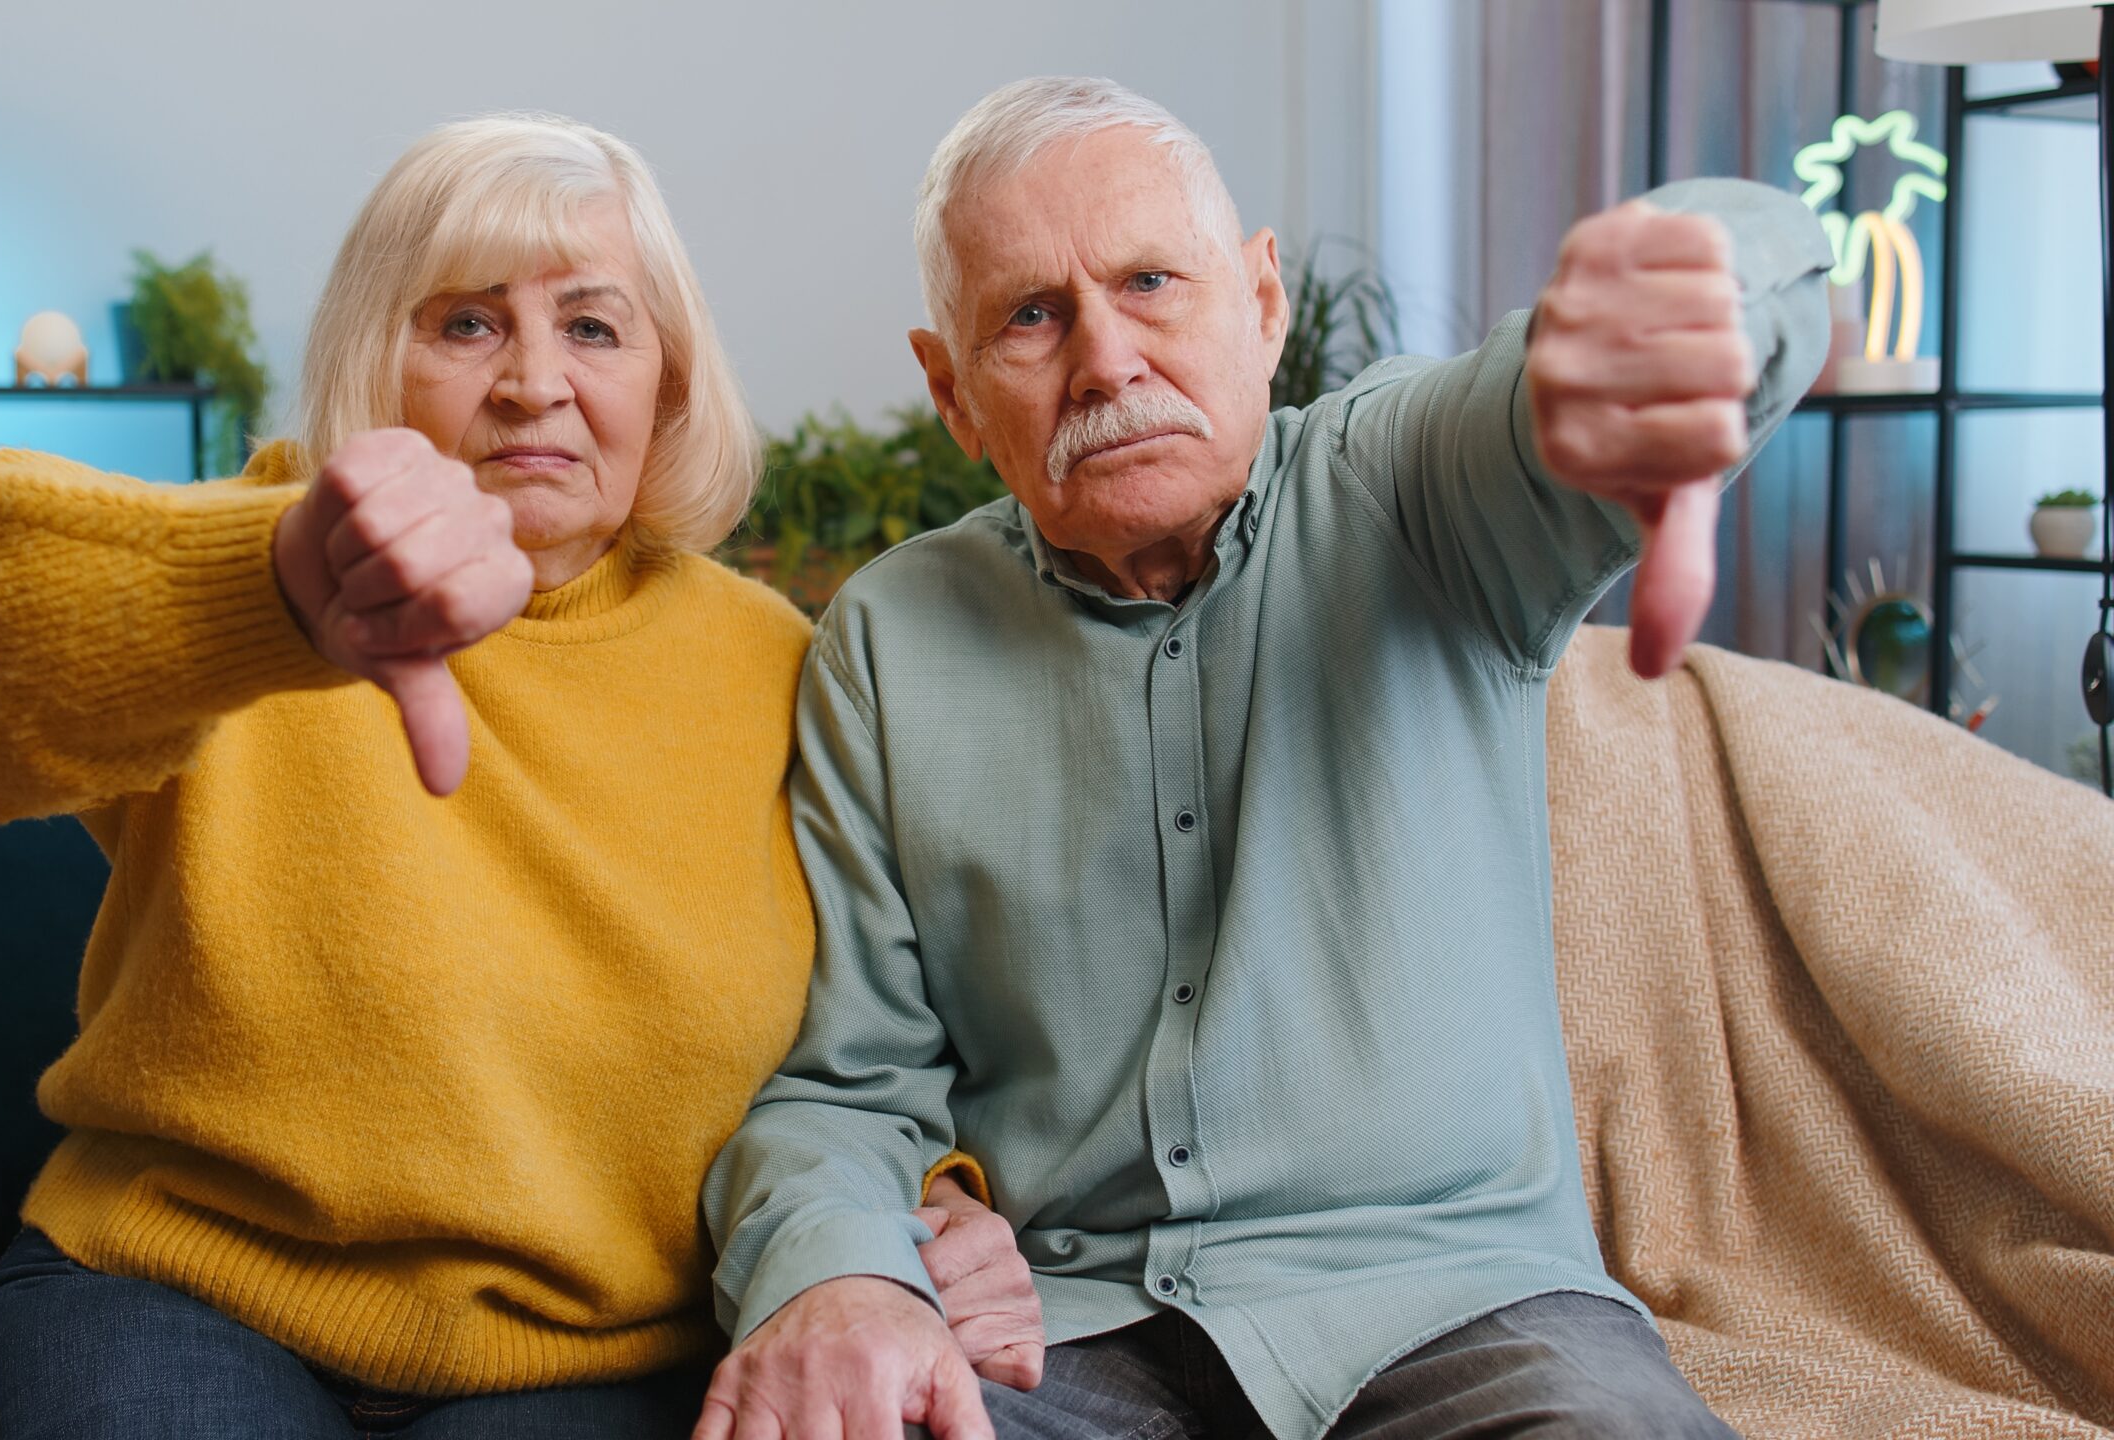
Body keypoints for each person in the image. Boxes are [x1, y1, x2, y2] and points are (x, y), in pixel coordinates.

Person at [0, 112, 1028, 1440]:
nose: (530, 383)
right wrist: (283, 590)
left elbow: (877, 1027)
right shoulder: (279, 550)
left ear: (670, 383)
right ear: (371, 356)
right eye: (464, 324)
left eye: (594, 327)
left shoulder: (781, 667)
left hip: (592, 1351)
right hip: (171, 1289)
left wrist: (929, 1205)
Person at [697, 77, 1831, 1440]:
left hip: (1461, 1311)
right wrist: (841, 1272)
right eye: (1032, 316)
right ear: (952, 391)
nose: (1107, 360)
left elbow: (1577, 384)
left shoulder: (1418, 490)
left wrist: (1691, 297)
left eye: (1152, 282)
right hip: (1067, 1333)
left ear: (1265, 304)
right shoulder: (888, 640)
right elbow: (847, 1080)